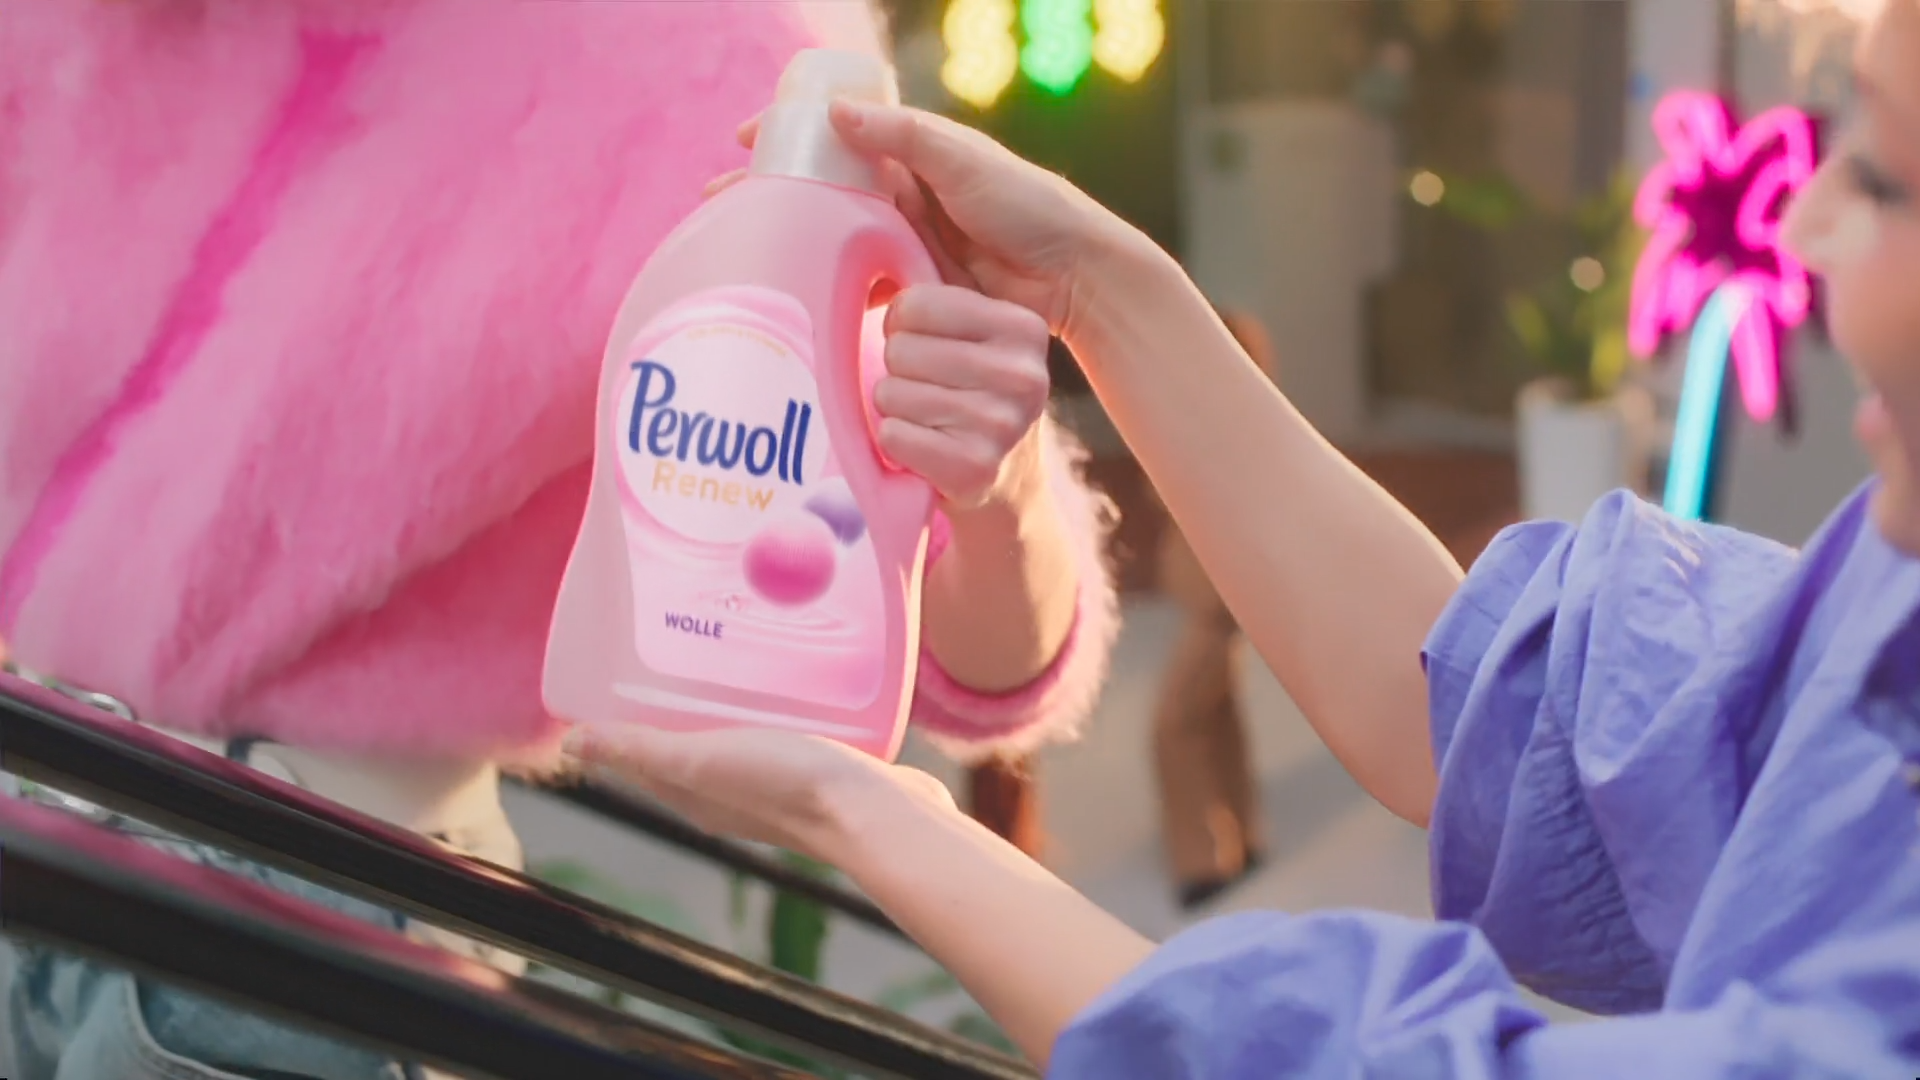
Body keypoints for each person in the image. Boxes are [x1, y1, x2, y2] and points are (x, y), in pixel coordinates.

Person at [571, 1, 1920, 1074]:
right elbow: (1516, 714)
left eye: (1883, 172)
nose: (1806, 225)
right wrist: (1096, 286)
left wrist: (870, 815)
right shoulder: (1885, 603)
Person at [0, 2, 1119, 1077]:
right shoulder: (61, 31)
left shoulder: (695, 49)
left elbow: (975, 646)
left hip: (311, 893)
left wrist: (999, 481)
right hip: (39, 801)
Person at [1149, 308, 1275, 909]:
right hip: (1215, 605)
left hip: (1216, 612)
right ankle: (1243, 835)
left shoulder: (1225, 440)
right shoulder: (1208, 428)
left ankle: (1202, 860)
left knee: (1174, 725)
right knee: (1218, 719)